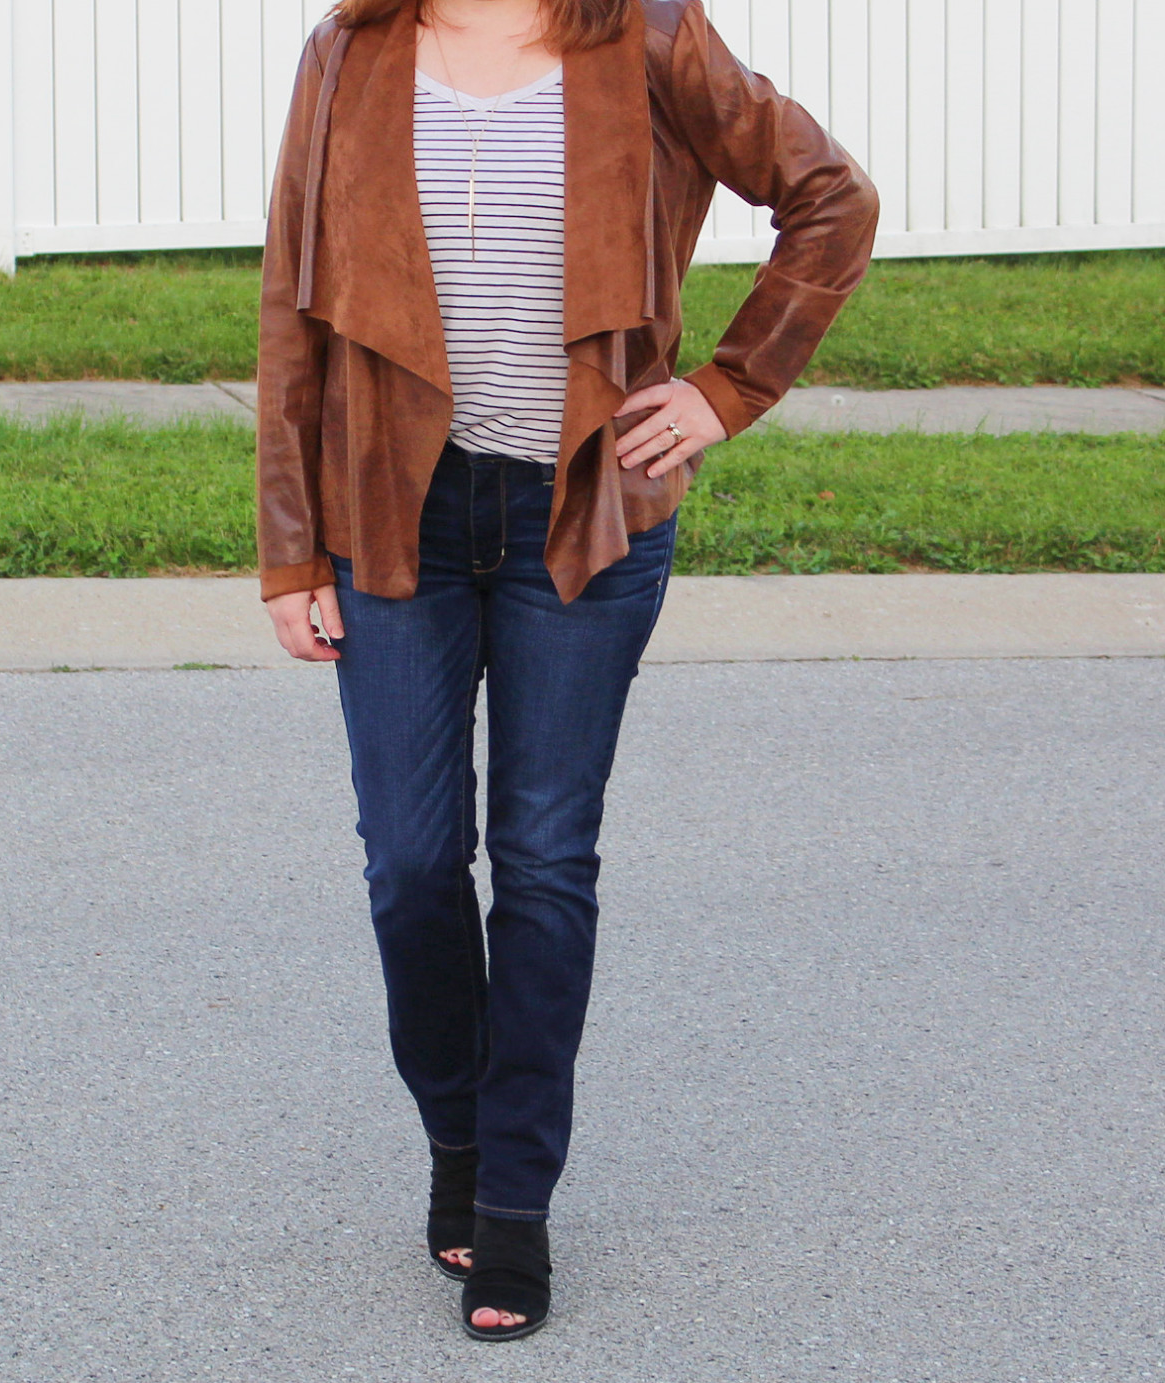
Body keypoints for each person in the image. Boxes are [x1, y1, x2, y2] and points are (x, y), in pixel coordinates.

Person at [256, 0, 878, 1342]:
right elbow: (291, 305)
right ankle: (459, 1139)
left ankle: (513, 1205)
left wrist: (725, 389)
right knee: (412, 865)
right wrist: (290, 550)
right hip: (390, 514)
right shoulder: (348, 50)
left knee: (541, 858)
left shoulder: (648, 37)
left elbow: (828, 197)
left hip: (580, 517)